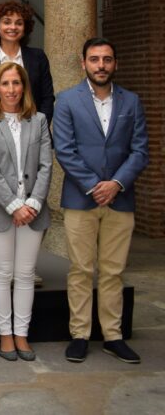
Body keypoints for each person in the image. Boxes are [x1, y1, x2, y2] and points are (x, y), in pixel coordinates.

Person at [54, 37, 148, 364]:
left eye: (107, 59)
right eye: (94, 59)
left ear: (115, 64)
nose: (101, 65)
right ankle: (79, 335)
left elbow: (140, 150)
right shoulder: (67, 100)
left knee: (113, 271)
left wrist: (117, 184)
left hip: (120, 200)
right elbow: (64, 149)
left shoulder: (131, 101)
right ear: (84, 63)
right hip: (81, 200)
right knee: (81, 269)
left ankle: (113, 336)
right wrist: (95, 186)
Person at [0, 62, 52, 362]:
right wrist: (13, 205)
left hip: (33, 210)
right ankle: (5, 335)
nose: (11, 89)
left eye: (16, 83)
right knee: (2, 273)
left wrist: (33, 203)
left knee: (25, 274)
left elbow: (46, 165)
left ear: (24, 87)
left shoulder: (39, 120)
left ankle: (22, 334)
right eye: (5, 84)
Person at [0, 0, 54, 120]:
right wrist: (3, 128)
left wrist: (39, 126)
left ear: (25, 28)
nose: (13, 27)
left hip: (35, 126)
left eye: (19, 23)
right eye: (7, 22)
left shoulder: (38, 57)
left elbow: (47, 98)